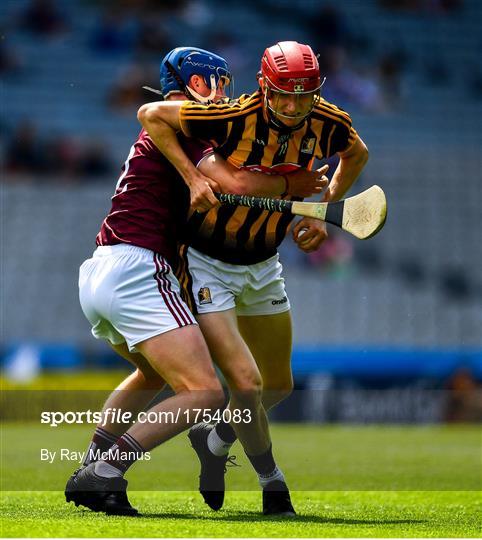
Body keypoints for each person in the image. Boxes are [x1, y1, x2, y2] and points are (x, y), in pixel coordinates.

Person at [65, 46, 324, 517]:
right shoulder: (189, 123)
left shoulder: (167, 130)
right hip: (138, 269)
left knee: (153, 374)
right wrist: (293, 187)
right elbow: (232, 182)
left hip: (102, 270)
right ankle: (103, 472)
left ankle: (91, 463)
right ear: (198, 83)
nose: (227, 95)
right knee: (204, 392)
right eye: (220, 83)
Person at [138, 40, 369, 515]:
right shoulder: (232, 114)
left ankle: (215, 438)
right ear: (264, 86)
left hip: (264, 265)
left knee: (278, 385)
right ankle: (272, 480)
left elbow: (357, 155)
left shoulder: (330, 122)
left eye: (303, 95)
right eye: (283, 94)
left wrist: (321, 214)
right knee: (246, 384)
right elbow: (150, 114)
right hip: (206, 261)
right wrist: (193, 178)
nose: (291, 106)